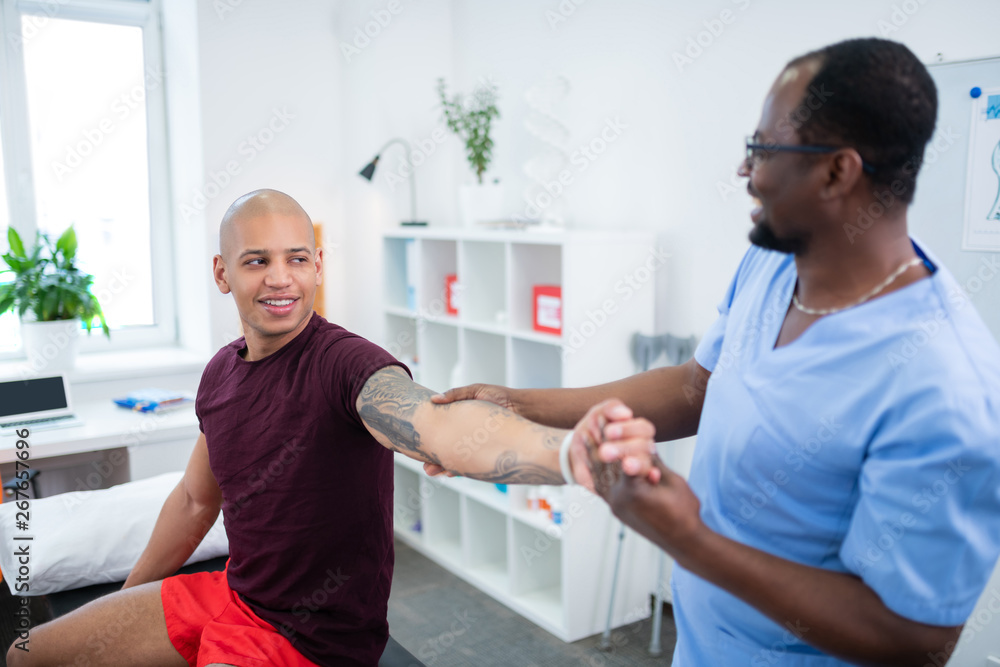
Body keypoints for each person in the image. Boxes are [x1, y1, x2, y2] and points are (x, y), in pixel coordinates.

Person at [431, 38, 1000, 665]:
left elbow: (916, 641)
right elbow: (696, 387)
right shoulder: (774, 259)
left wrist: (688, 537)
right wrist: (518, 404)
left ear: (838, 171)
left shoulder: (944, 385)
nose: (743, 171)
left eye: (762, 149)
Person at [5, 189, 654, 667]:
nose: (280, 277)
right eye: (257, 260)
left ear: (317, 265)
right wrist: (129, 601)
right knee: (27, 653)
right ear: (222, 272)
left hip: (307, 641)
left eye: (297, 258)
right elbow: (196, 499)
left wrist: (571, 453)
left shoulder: (348, 364)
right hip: (232, 593)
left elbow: (438, 423)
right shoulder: (218, 376)